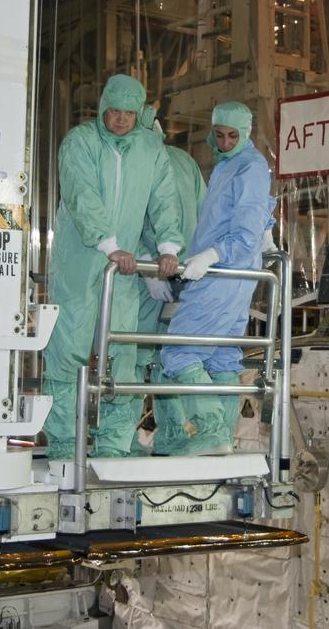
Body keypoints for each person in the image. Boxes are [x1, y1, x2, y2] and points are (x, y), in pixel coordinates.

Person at [42, 75, 185, 459]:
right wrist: (109, 244)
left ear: (138, 114)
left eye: (128, 113)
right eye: (114, 111)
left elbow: (164, 200)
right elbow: (80, 193)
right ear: (102, 107)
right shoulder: (81, 141)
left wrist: (168, 247)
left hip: (123, 272)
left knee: (122, 358)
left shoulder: (150, 150)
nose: (120, 119)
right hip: (82, 263)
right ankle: (64, 445)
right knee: (68, 353)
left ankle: (114, 447)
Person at [160, 101, 274, 456]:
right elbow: (255, 213)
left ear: (246, 134)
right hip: (233, 276)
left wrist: (211, 256)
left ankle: (211, 432)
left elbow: (243, 230)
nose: (224, 142)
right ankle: (222, 434)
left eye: (232, 136)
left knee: (179, 352)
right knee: (222, 357)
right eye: (219, 135)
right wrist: (266, 235)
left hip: (222, 274)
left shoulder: (249, 167)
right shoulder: (233, 164)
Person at [133, 124, 205, 455]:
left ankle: (130, 439)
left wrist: (145, 258)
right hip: (186, 270)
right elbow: (204, 214)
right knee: (170, 357)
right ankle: (176, 434)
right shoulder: (185, 161)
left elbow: (128, 218)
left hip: (148, 272)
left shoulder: (139, 162)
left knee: (137, 357)